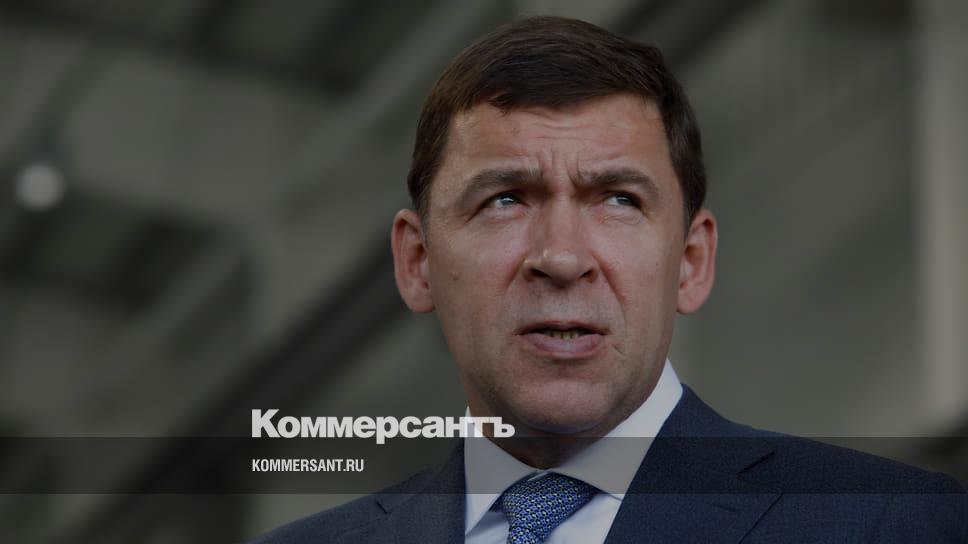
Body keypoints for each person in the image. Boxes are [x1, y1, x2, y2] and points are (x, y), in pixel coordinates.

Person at [251, 16, 967, 543]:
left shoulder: (892, 526)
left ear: (691, 263)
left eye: (619, 200)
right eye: (505, 199)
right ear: (416, 263)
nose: (562, 258)